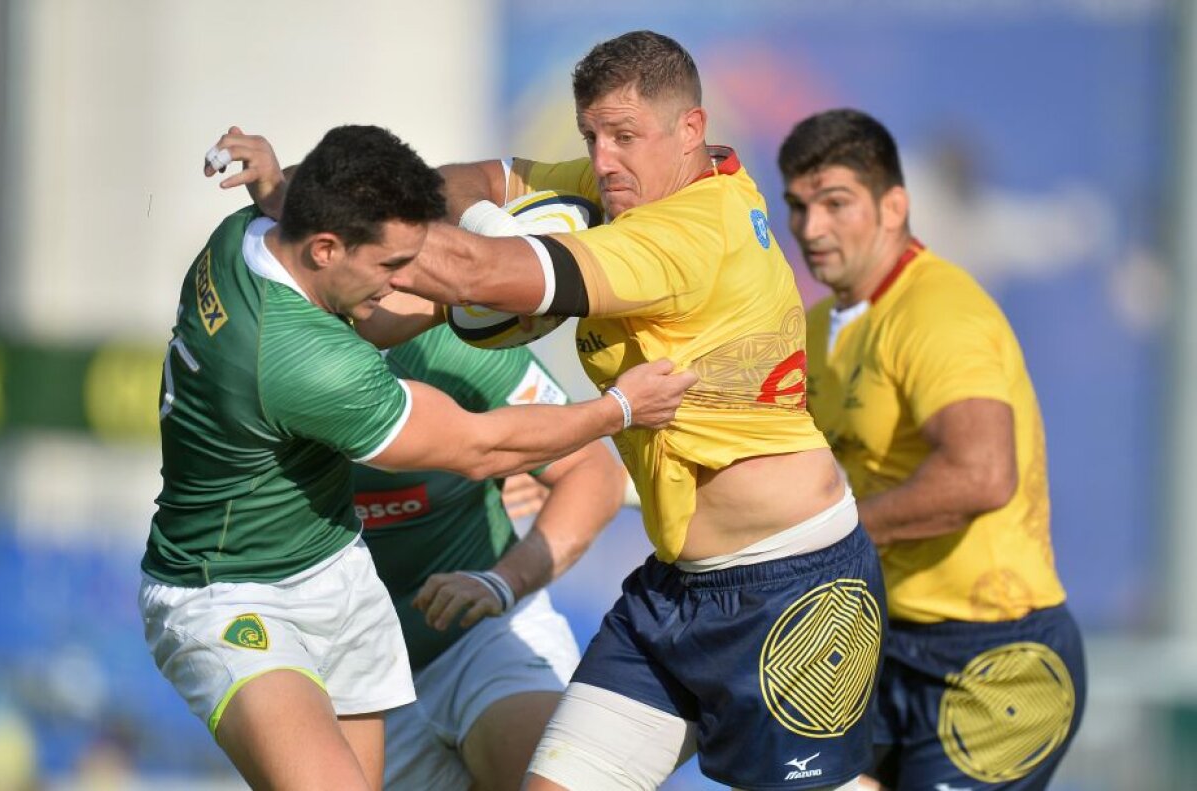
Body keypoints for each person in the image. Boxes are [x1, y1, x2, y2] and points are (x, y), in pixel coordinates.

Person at [226, 30, 888, 791]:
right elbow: (490, 177)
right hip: (677, 591)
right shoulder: (639, 184)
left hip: (790, 584)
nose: (603, 159)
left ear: (691, 130)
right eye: (591, 135)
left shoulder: (684, 235)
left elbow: (483, 270)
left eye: (624, 136)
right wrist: (329, 191)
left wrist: (313, 215)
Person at [140, 124, 694, 791]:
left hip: (348, 585)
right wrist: (619, 409)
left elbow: (329, 254)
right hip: (235, 591)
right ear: (326, 248)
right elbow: (480, 446)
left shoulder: (248, 234)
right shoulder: (309, 363)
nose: (408, 281)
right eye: (392, 267)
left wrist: (502, 578)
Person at [777, 108, 1086, 791]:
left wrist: (829, 536)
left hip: (997, 658)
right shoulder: (819, 325)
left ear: (895, 205)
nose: (811, 228)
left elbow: (980, 476)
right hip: (882, 646)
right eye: (798, 206)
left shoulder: (940, 311)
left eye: (835, 204)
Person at [358, 323, 625, 791]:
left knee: (556, 777)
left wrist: (502, 582)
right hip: (340, 663)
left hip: (479, 636)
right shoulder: (254, 356)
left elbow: (591, 469)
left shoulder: (447, 346)